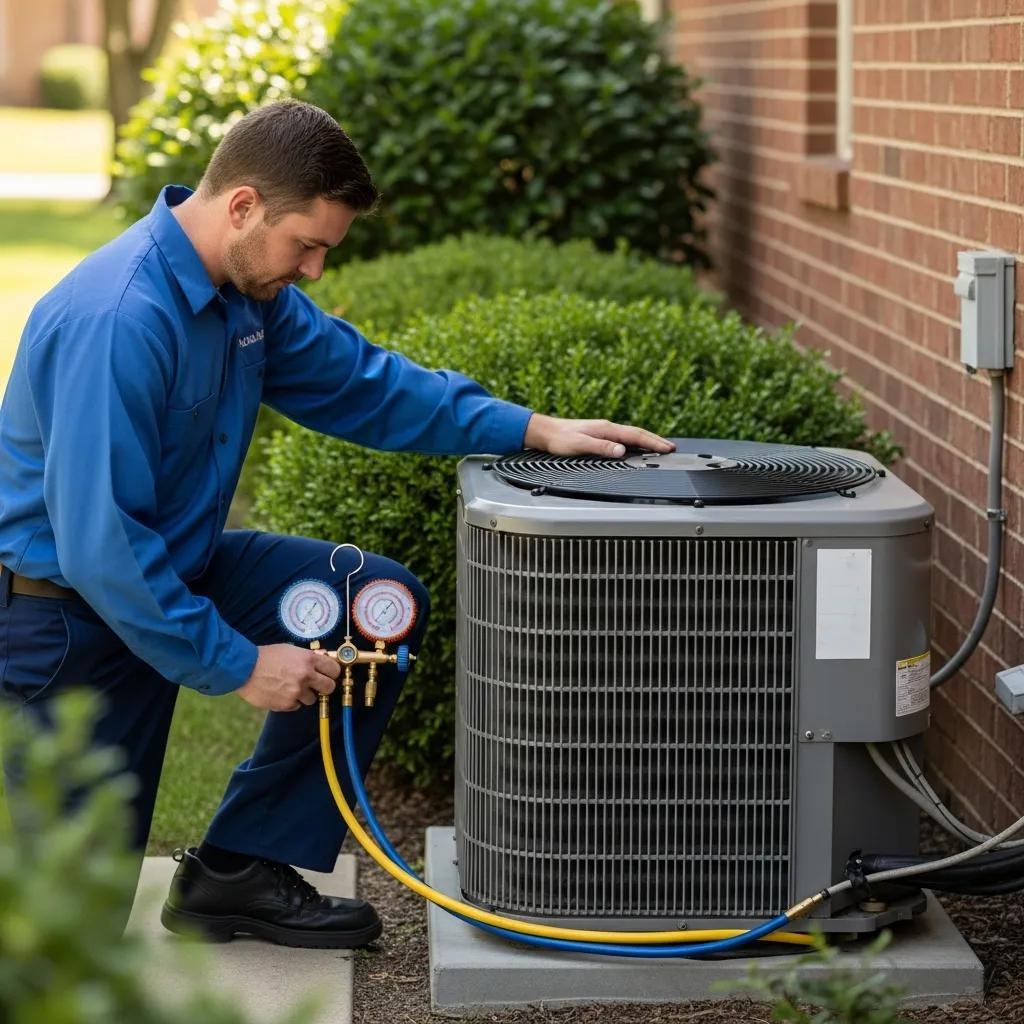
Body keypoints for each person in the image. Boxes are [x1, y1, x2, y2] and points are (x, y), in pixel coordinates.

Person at [0, 99, 674, 949]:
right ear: (243, 206)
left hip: (177, 570)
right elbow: (103, 546)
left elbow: (363, 383)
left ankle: (240, 871)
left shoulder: (244, 294)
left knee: (372, 601)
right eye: (307, 244)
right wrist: (238, 663)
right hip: (70, 622)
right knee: (58, 941)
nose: (315, 269)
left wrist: (533, 429)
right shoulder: (120, 319)